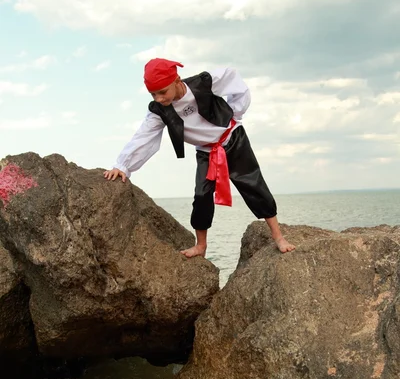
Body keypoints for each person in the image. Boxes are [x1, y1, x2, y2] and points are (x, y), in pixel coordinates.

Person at [104, 58, 295, 257]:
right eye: (153, 94)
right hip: (206, 151)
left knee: (252, 184)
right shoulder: (159, 111)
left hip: (232, 137)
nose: (159, 98)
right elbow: (143, 138)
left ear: (177, 80)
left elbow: (232, 77)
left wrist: (236, 113)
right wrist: (122, 166)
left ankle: (278, 237)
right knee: (202, 195)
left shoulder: (203, 82)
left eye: (163, 92)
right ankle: (201, 245)